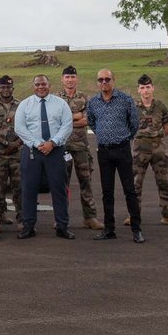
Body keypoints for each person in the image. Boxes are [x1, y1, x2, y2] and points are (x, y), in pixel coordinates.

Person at [13, 75, 74, 240]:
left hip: (55, 151)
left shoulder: (61, 104)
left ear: (49, 85)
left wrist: (52, 142)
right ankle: (28, 226)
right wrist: (38, 143)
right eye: (38, 84)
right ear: (33, 86)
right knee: (28, 189)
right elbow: (19, 127)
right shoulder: (25, 105)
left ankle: (62, 226)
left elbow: (67, 125)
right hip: (33, 151)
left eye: (44, 84)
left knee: (59, 189)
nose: (41, 87)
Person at [87, 69, 144, 243]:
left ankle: (137, 229)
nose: (104, 82)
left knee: (129, 190)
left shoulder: (125, 100)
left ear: (113, 80)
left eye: (107, 79)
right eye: (100, 80)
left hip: (122, 149)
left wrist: (123, 137)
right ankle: (109, 229)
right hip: (104, 151)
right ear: (97, 82)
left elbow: (134, 123)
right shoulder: (93, 102)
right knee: (107, 192)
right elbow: (92, 122)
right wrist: (105, 136)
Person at [130, 75, 168, 226]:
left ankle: (167, 214)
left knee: (163, 181)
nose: (145, 91)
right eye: (142, 88)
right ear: (138, 90)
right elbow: (128, 125)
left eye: (148, 87)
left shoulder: (161, 106)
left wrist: (156, 135)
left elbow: (167, 127)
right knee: (135, 183)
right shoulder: (133, 107)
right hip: (139, 148)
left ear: (152, 88)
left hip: (158, 147)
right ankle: (134, 214)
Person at [57, 66, 101, 230]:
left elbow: (87, 120)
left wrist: (66, 119)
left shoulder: (85, 98)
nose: (70, 79)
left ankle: (90, 217)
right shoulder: (56, 99)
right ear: (62, 79)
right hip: (61, 148)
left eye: (72, 77)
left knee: (86, 182)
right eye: (67, 77)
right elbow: (55, 120)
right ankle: (61, 218)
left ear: (77, 79)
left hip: (81, 147)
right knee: (62, 184)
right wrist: (76, 115)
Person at [0, 75, 22, 230]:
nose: (6, 90)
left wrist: (15, 144)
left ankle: (22, 220)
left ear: (13, 88)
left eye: (8, 87)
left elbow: (27, 128)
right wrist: (6, 144)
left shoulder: (22, 106)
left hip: (17, 154)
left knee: (20, 188)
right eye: (3, 87)